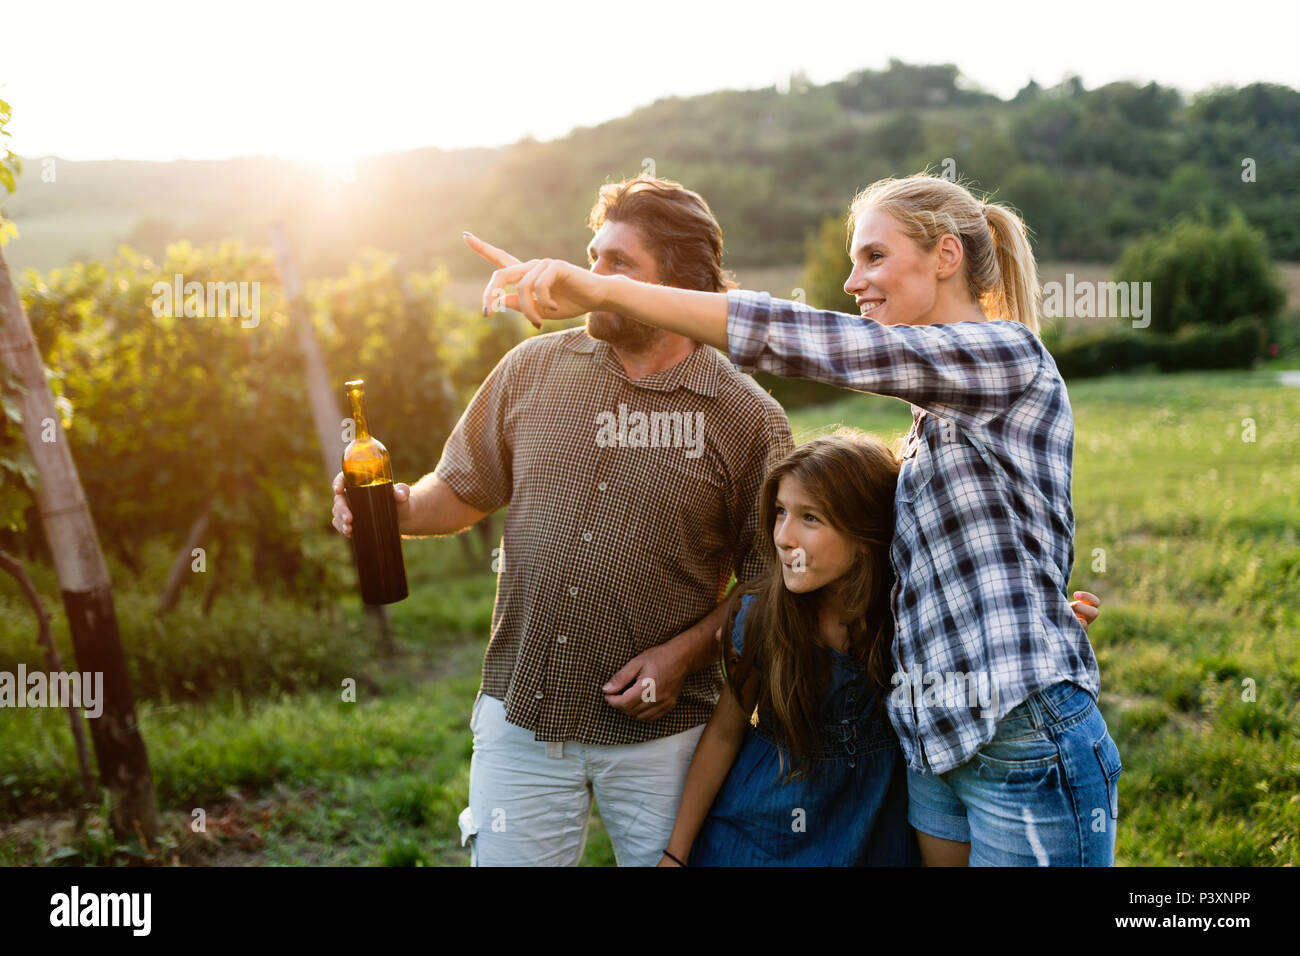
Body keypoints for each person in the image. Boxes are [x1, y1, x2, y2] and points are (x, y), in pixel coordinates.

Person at [465, 171, 1121, 866]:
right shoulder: (932, 417)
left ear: (946, 256)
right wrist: (1031, 605)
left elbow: (810, 341)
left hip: (1020, 736)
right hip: (942, 743)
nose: (852, 281)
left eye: (874, 256)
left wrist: (597, 289)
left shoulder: (1006, 355)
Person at [333, 176, 793, 866]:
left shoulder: (746, 417)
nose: (589, 277)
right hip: (522, 715)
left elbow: (769, 579)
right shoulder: (530, 368)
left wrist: (683, 655)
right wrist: (398, 509)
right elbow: (458, 492)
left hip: (665, 733)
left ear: (677, 284)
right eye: (592, 256)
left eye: (617, 265)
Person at [661, 430, 922, 866]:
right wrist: (676, 853)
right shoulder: (762, 617)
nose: (783, 536)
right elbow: (725, 732)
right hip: (761, 837)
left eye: (810, 518)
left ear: (867, 531)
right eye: (780, 512)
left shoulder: (907, 617)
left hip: (873, 836)